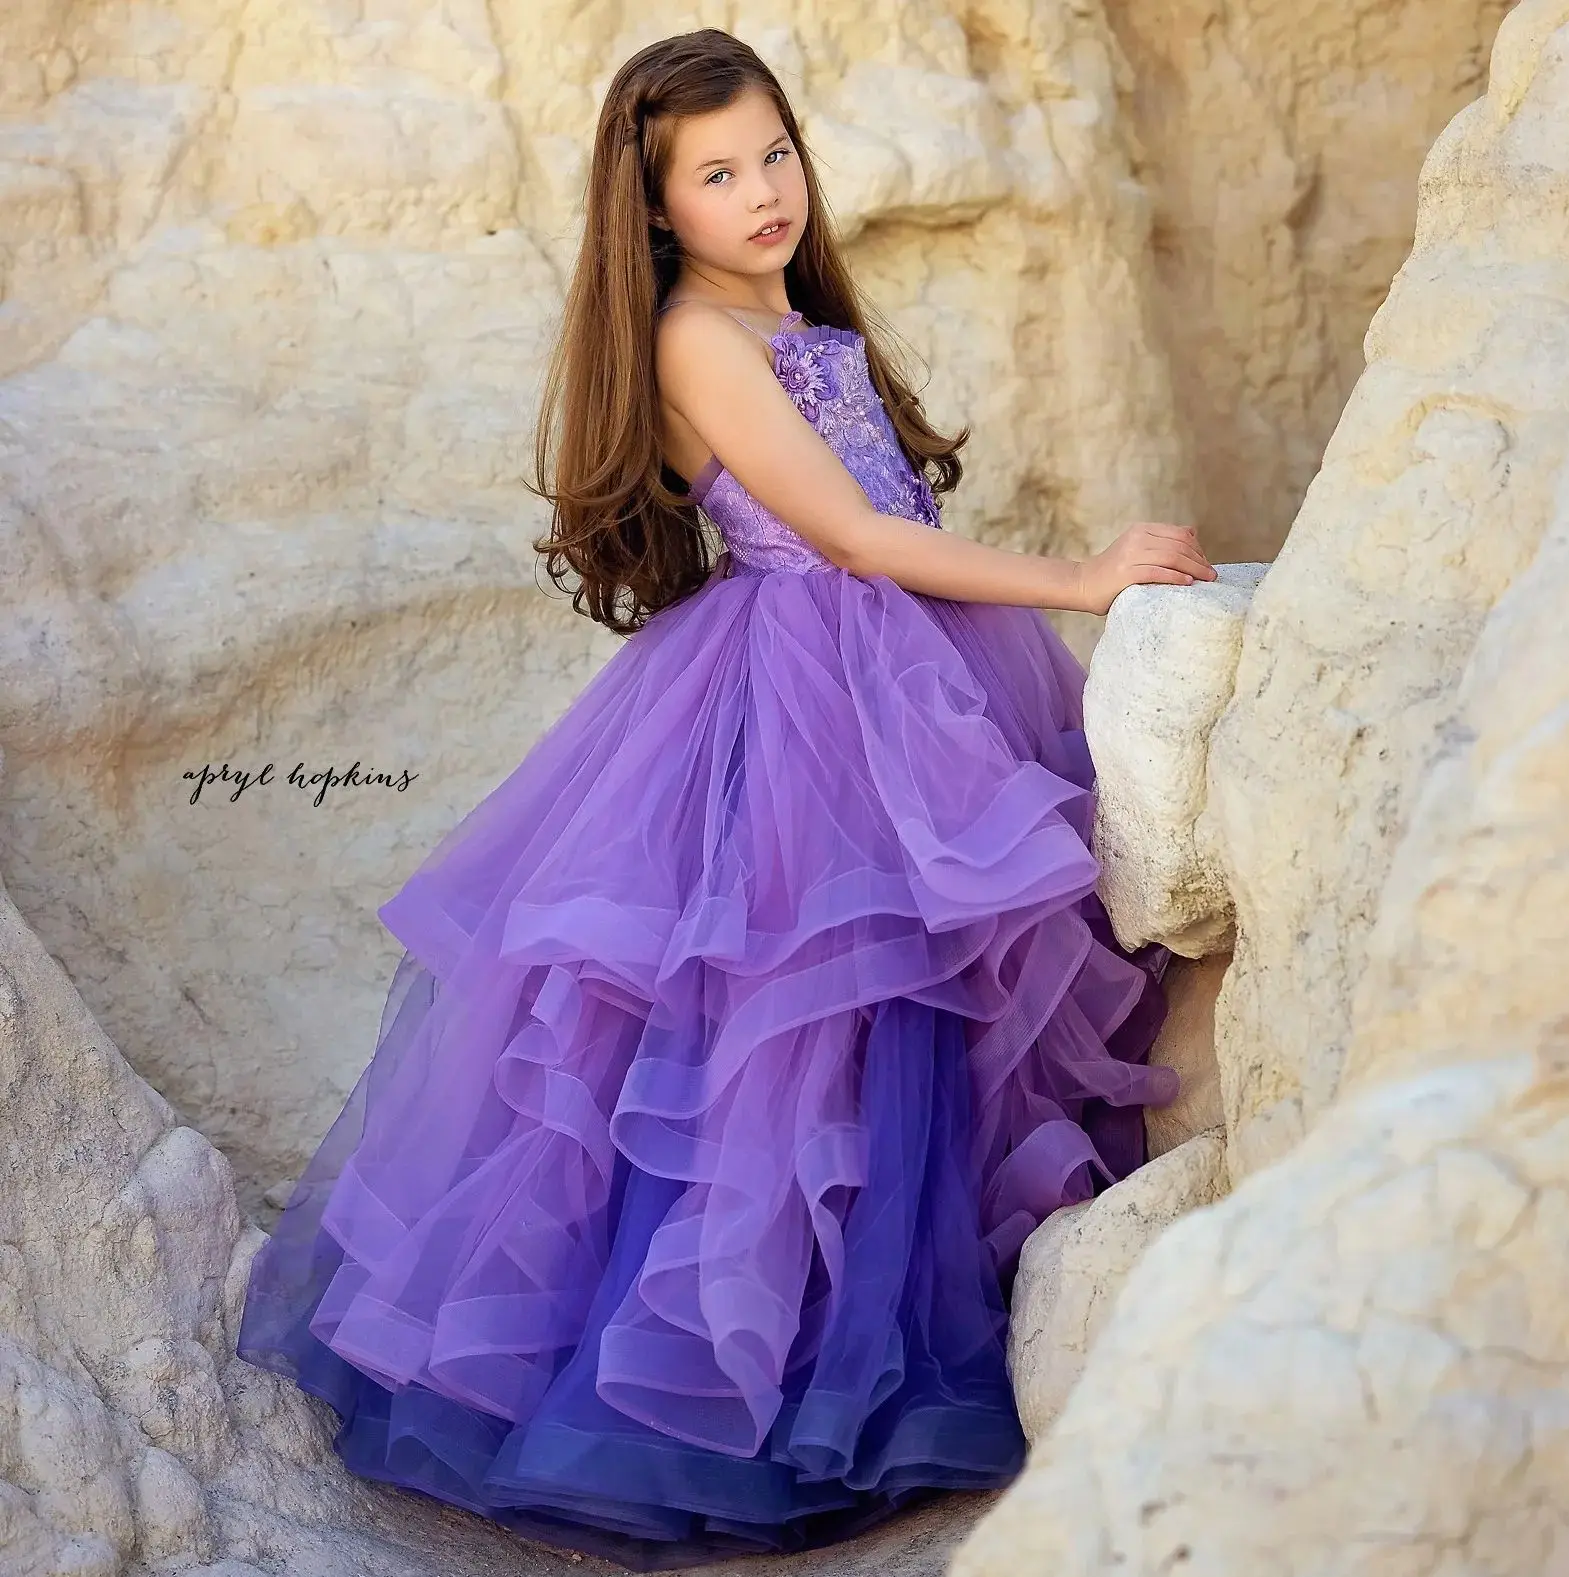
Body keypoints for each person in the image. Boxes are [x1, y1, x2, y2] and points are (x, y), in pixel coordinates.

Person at [236, 25, 1214, 1572]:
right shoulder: (699, 334)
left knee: (919, 1014)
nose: (761, 191)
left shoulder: (791, 309)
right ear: (656, 210)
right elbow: (855, 536)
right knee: (796, 1034)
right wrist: (1079, 578)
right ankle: (753, 1402)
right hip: (800, 695)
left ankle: (912, 1332)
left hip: (907, 678)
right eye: (715, 172)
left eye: (774, 152)